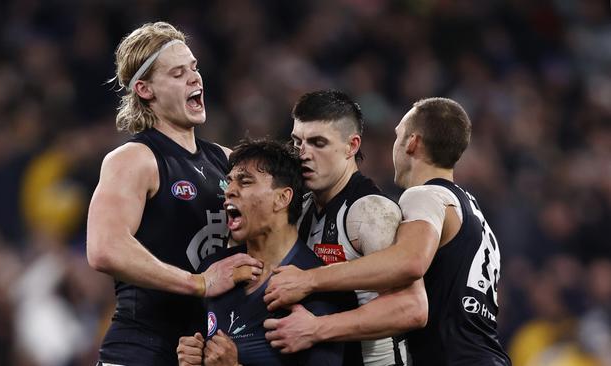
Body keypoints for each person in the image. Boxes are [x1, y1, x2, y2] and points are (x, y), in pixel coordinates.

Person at [264, 97, 512, 365]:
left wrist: (309, 283)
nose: (303, 153)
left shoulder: (424, 197)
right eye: (298, 142)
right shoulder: (469, 207)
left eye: (397, 136)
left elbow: (409, 263)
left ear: (412, 142)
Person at [86, 22, 262, 366]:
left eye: (194, 68)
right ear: (144, 89)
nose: (195, 79)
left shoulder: (226, 160)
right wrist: (198, 283)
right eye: (178, 73)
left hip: (203, 352)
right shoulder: (134, 158)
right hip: (141, 350)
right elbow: (104, 248)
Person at [177, 139, 351, 366]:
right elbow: (196, 342)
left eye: (245, 182)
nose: (228, 191)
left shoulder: (320, 289)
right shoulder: (214, 270)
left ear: (282, 198)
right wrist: (189, 357)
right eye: (229, 183)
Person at [287, 90, 428, 365]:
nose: (303, 154)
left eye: (318, 143)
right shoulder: (300, 210)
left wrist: (316, 329)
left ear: (352, 146)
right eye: (297, 142)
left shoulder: (371, 212)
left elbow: (412, 308)